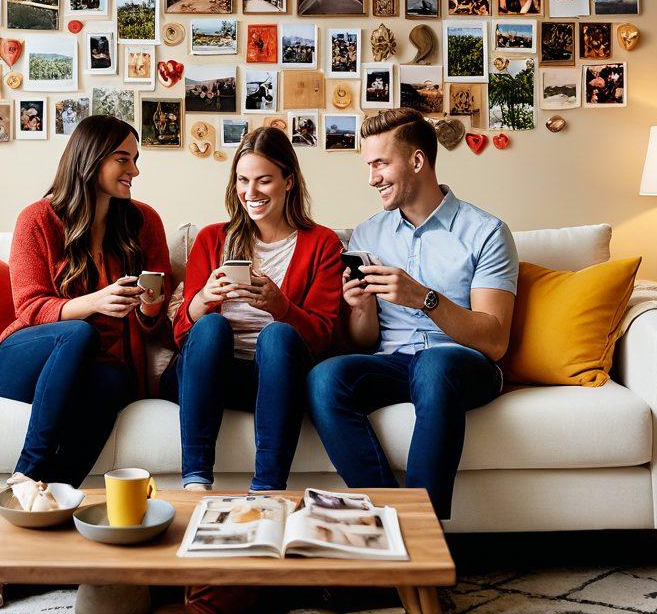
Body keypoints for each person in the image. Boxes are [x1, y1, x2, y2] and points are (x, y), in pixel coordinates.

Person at [0, 115, 171, 611]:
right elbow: (29, 309)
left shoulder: (143, 221)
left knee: (111, 381)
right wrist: (94, 302)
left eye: (136, 159)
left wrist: (150, 308)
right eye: (123, 158)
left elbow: (157, 326)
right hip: (26, 358)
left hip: (96, 370)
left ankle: (21, 559)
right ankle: (26, 476)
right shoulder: (38, 219)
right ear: (91, 160)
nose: (134, 170)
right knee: (79, 333)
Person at [307, 107, 518, 521]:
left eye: (381, 163)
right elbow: (366, 342)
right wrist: (362, 308)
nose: (372, 178)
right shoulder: (368, 234)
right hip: (393, 364)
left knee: (433, 363)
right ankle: (389, 520)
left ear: (418, 161)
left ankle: (422, 532)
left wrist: (425, 298)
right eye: (369, 165)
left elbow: (494, 340)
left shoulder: (486, 232)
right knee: (324, 377)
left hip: (461, 365)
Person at [167, 126, 342, 493]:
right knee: (212, 327)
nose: (250, 193)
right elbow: (184, 336)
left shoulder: (321, 243)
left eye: (264, 181)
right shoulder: (213, 238)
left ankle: (267, 487)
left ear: (288, 181)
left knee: (277, 334)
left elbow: (324, 337)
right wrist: (202, 300)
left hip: (278, 379)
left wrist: (282, 307)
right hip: (210, 377)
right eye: (243, 180)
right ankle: (196, 482)